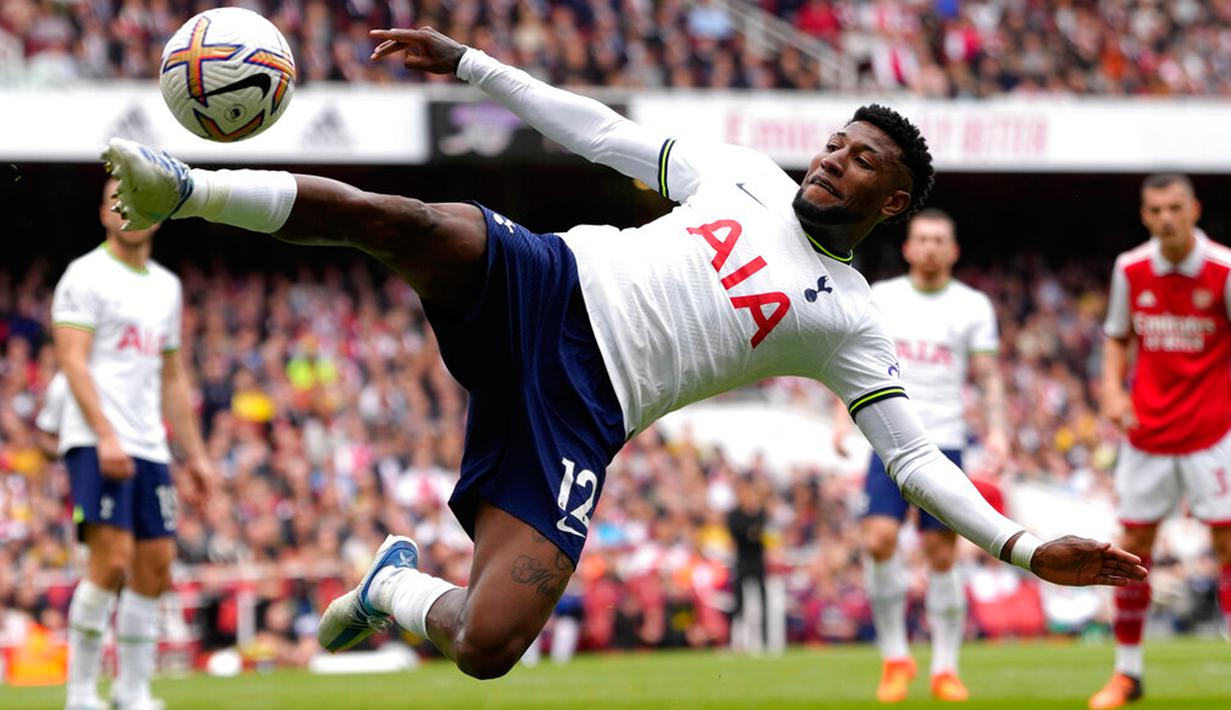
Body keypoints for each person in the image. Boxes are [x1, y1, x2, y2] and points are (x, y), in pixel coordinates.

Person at [103, 26, 1145, 682]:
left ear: (892, 201)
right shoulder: (737, 174)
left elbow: (916, 462)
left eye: (859, 160)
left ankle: (388, 590)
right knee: (412, 224)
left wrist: (1018, 544)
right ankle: (180, 186)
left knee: (486, 644)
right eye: (833, 142)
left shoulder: (852, 318)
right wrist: (473, 65)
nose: (830, 159)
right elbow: (597, 131)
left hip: (583, 415)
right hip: (548, 282)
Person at [831, 208, 1006, 702]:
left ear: (953, 251)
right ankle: (895, 657)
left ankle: (945, 668)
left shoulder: (973, 306)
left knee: (941, 553)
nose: (929, 247)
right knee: (879, 540)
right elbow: (850, 356)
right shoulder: (881, 297)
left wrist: (997, 431)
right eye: (921, 239)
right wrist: (836, 418)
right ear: (908, 248)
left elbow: (989, 375)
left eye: (938, 240)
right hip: (887, 434)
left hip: (945, 440)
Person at [52, 178, 213, 710]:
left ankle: (132, 690)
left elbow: (172, 377)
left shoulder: (166, 286)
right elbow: (72, 360)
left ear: (159, 215)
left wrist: (196, 458)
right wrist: (103, 435)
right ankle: (80, 692)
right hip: (96, 439)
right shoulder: (85, 274)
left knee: (156, 563)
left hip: (150, 445)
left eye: (140, 201)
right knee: (111, 560)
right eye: (118, 201)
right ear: (102, 214)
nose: (129, 210)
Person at [1089, 173, 1231, 709]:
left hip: (1214, 432)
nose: (1166, 218)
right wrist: (1110, 391)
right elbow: (1118, 338)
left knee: (1227, 547)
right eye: (1156, 210)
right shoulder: (1131, 268)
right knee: (1132, 550)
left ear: (1194, 209)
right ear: (1145, 216)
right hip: (1147, 431)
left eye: (1175, 207)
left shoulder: (1223, 269)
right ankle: (1128, 674)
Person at [727, 475, 769, 653]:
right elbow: (741, 535)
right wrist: (751, 533)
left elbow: (759, 534)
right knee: (739, 602)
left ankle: (763, 642)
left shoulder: (760, 513)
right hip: (742, 561)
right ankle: (737, 641)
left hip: (758, 562)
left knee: (762, 601)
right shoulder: (734, 514)